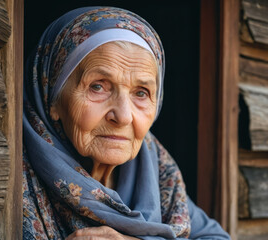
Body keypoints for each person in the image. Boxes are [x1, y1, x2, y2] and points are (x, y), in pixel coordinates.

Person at [23, 6, 231, 240]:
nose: (123, 116)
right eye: (98, 86)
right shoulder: (11, 173)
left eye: (141, 93)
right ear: (51, 97)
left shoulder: (155, 167)